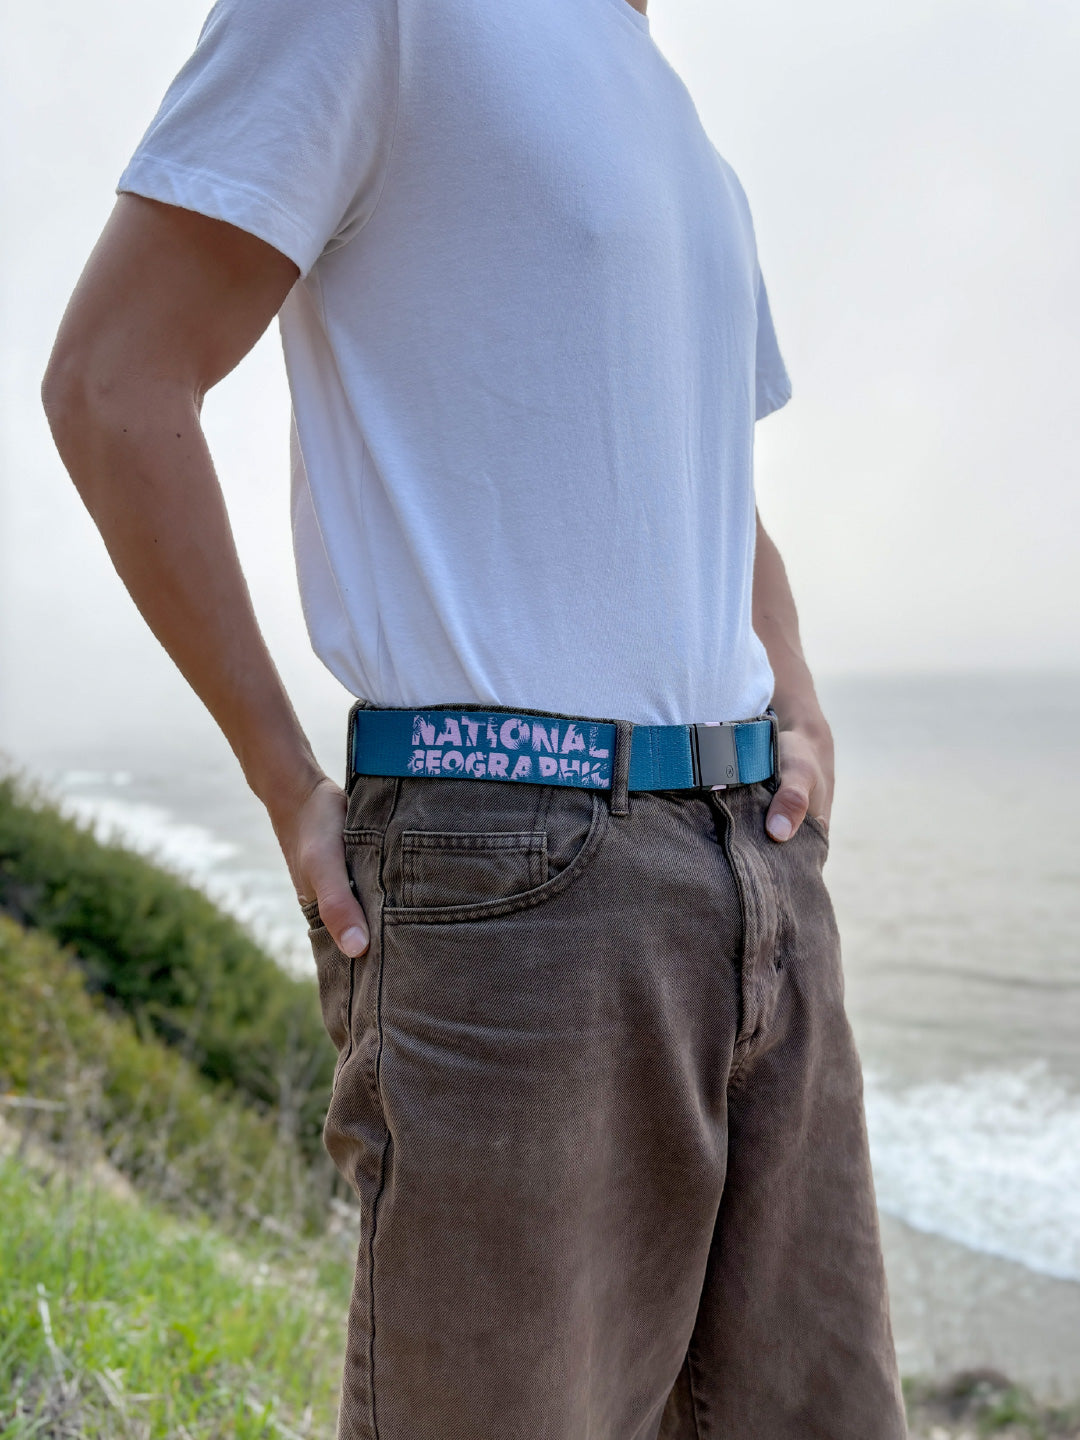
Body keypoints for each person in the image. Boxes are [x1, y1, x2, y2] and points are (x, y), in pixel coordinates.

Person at [41, 0, 908, 1434]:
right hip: (518, 871)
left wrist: (798, 705)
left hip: (762, 871)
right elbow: (113, 383)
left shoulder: (677, 119)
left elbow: (712, 495)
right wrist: (279, 773)